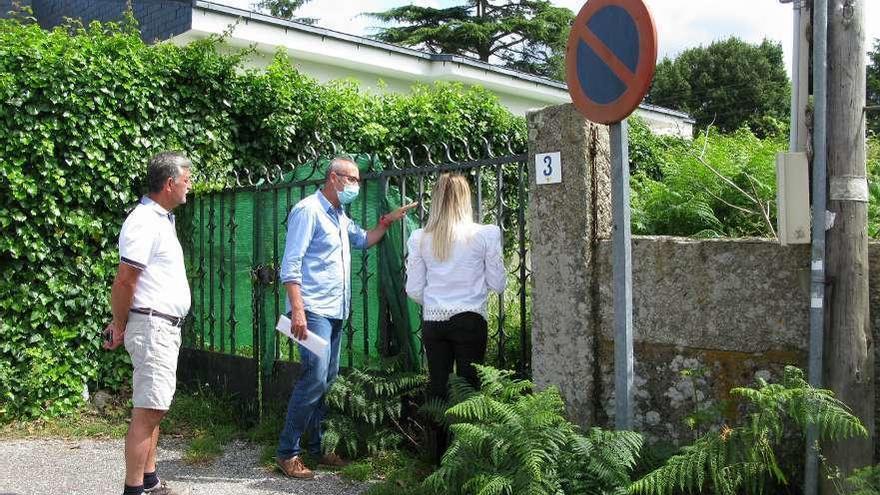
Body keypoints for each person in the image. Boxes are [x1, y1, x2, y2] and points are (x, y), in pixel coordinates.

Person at [276, 156, 417, 479]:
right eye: (351, 178)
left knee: (325, 380)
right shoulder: (308, 211)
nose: (355, 184)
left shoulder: (339, 215)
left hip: (335, 310)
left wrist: (386, 223)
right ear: (333, 178)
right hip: (312, 310)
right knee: (314, 377)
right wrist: (297, 309)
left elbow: (363, 240)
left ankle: (318, 448)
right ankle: (288, 451)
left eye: (357, 180)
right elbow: (291, 265)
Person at [103, 151, 192, 495]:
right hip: (152, 326)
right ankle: (134, 489)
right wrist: (119, 323)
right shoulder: (143, 221)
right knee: (149, 410)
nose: (189, 186)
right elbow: (125, 280)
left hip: (161, 326)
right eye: (187, 180)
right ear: (169, 183)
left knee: (154, 406)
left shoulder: (160, 219)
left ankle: (150, 480)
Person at [404, 173, 506, 461]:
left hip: (434, 321)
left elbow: (413, 289)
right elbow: (498, 284)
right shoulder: (484, 234)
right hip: (470, 319)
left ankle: (438, 458)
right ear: (466, 199)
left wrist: (438, 299)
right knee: (469, 389)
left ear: (436, 199)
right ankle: (467, 459)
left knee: (437, 389)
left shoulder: (420, 238)